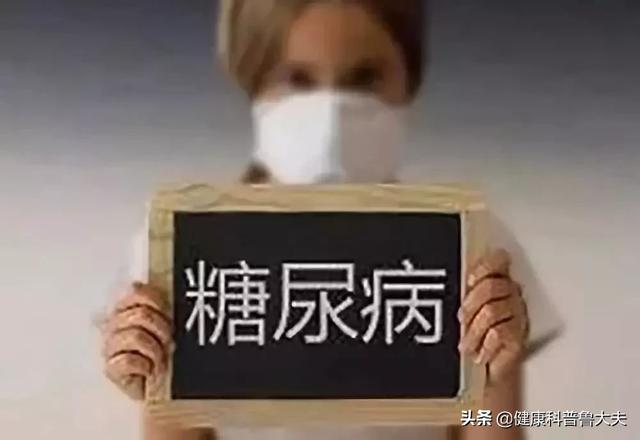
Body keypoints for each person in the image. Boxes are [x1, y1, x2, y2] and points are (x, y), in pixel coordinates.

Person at [101, 1, 557, 439]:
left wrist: (496, 364)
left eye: (364, 78)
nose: (332, 112)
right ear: (251, 78)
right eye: (297, 79)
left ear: (411, 77)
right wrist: (152, 373)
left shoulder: (475, 244)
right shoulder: (179, 245)